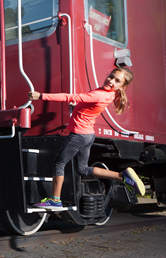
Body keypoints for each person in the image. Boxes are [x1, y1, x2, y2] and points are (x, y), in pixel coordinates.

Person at [27, 67, 145, 210]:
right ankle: (122, 177)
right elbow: (86, 104)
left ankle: (55, 200)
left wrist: (41, 96)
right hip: (88, 135)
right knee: (82, 169)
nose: (111, 80)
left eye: (117, 80)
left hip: (78, 135)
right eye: (111, 76)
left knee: (58, 164)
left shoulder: (100, 95)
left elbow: (70, 97)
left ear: (122, 87)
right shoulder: (108, 94)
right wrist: (77, 106)